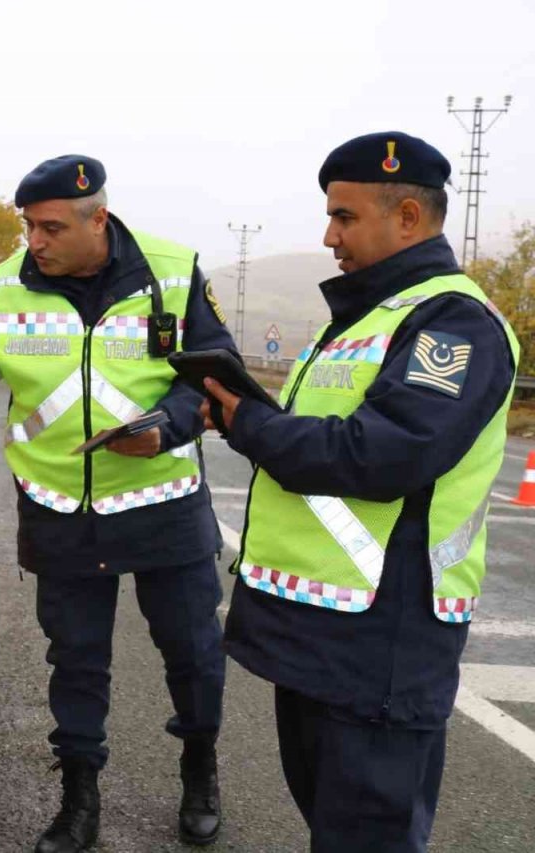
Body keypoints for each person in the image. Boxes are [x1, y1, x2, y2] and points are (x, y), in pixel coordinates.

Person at [0, 155, 239, 851]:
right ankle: (79, 799)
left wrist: (167, 428)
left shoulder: (173, 273)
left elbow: (214, 378)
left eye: (51, 226)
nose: (35, 240)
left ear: (100, 220)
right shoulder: (4, 285)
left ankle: (199, 764)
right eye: (28, 225)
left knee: (192, 651)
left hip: (164, 502)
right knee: (77, 660)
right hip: (61, 506)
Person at [201, 131, 520, 852]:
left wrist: (251, 424)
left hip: (383, 645)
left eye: (344, 216)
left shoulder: (453, 322)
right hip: (324, 636)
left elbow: (385, 454)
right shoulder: (365, 320)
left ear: (407, 217)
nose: (328, 234)